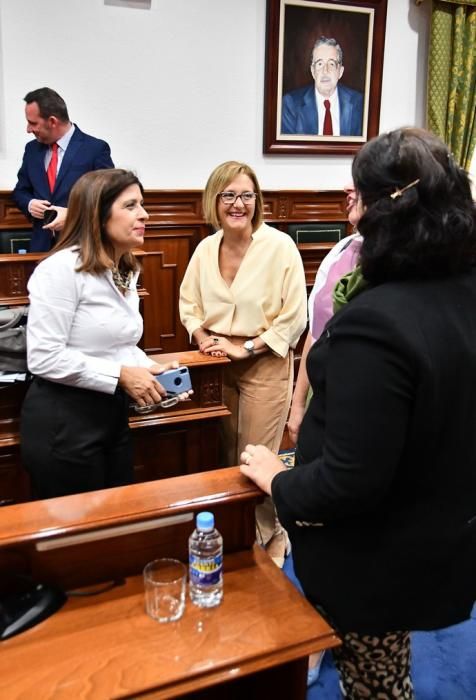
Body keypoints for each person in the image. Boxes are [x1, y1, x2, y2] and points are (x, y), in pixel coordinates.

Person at [240, 128, 476, 698]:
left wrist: (280, 479)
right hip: (439, 527)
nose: (350, 207)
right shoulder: (462, 288)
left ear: (382, 209)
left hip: (379, 554)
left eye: (354, 195)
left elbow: (349, 480)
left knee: (375, 683)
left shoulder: (379, 320)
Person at [21, 169, 191, 499]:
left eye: (142, 204)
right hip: (64, 422)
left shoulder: (125, 267)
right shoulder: (59, 270)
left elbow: (119, 343)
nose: (144, 214)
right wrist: (121, 375)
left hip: (110, 415)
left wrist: (151, 370)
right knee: (76, 540)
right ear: (97, 215)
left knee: (115, 523)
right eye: (130, 205)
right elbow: (43, 357)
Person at [179, 160, 307, 564]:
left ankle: (267, 538)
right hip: (215, 368)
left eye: (247, 195)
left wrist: (248, 347)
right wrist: (202, 338)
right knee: (222, 457)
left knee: (256, 456)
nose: (239, 204)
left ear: (258, 201)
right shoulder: (204, 249)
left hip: (265, 363)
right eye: (229, 195)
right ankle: (231, 535)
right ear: (214, 201)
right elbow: (188, 305)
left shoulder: (279, 246)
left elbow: (295, 316)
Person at [287, 182, 362, 445]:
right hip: (322, 394)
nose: (347, 188)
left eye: (360, 179)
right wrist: (297, 405)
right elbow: (316, 333)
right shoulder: (342, 249)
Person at [13, 87, 114, 252]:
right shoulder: (31, 150)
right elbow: (20, 191)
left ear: (52, 121)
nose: (28, 129)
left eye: (33, 123)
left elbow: (108, 198)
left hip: (83, 249)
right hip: (41, 250)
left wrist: (72, 216)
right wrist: (30, 204)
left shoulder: (95, 149)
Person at [281, 37, 363, 136]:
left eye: (331, 64)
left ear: (340, 72)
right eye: (320, 64)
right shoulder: (290, 104)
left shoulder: (359, 103)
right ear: (313, 71)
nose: (325, 71)